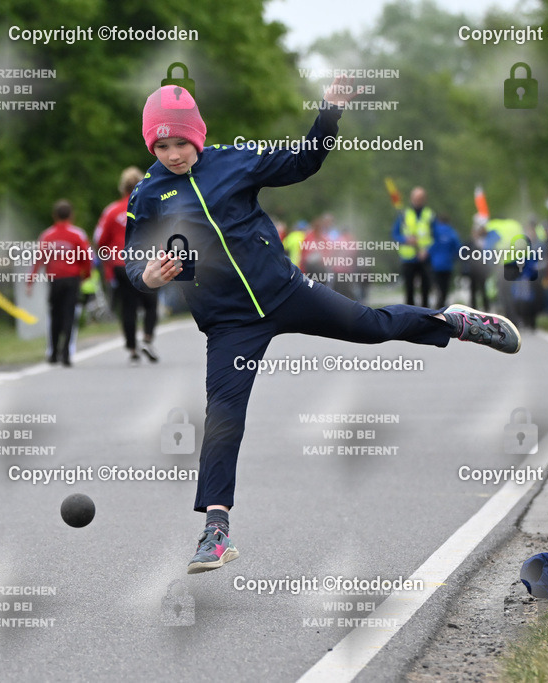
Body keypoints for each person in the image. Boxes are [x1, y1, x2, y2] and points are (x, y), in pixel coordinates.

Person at [125, 78, 521, 574]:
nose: (173, 153)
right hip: (229, 324)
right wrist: (145, 275)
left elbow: (302, 160)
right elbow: (131, 259)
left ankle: (455, 322)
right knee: (224, 417)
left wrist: (329, 112)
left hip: (286, 292)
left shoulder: (234, 160)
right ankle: (215, 532)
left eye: (181, 142)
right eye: (161, 145)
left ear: (198, 136)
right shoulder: (148, 194)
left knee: (373, 326)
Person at [96, 166, 160, 365]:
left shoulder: (111, 211)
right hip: (145, 260)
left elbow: (100, 238)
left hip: (120, 263)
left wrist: (107, 261)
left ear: (122, 188)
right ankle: (147, 338)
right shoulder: (150, 206)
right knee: (151, 304)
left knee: (128, 307)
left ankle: (132, 349)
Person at [28, 199, 91, 367]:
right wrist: (86, 275)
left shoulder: (47, 235)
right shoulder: (77, 234)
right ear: (71, 215)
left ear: (54, 215)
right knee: (69, 315)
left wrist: (30, 281)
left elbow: (38, 259)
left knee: (55, 315)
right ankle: (66, 354)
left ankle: (54, 352)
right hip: (72, 279)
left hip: (54, 280)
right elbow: (86, 257)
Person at [391, 187, 434, 307]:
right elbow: (395, 234)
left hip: (424, 257)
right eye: (415, 198)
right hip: (408, 258)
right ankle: (410, 314)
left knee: (426, 289)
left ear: (424, 199)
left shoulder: (429, 215)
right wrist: (406, 239)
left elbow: (436, 237)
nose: (417, 201)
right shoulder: (404, 215)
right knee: (409, 290)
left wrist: (427, 251)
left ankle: (426, 314)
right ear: (411, 199)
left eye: (420, 198)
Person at [428, 213, 461, 308]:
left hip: (435, 264)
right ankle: (442, 302)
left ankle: (439, 301)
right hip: (448, 264)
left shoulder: (434, 232)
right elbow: (458, 249)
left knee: (437, 283)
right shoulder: (452, 233)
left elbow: (429, 246)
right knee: (445, 286)